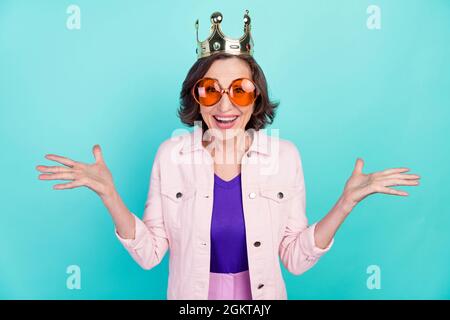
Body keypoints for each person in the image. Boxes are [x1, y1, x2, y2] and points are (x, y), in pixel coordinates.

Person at [36, 11, 420, 300]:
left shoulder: (285, 157)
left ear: (256, 99)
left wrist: (345, 203)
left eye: (239, 90)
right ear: (195, 97)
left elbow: (295, 259)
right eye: (210, 90)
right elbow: (151, 254)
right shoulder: (171, 156)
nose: (224, 104)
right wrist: (110, 196)